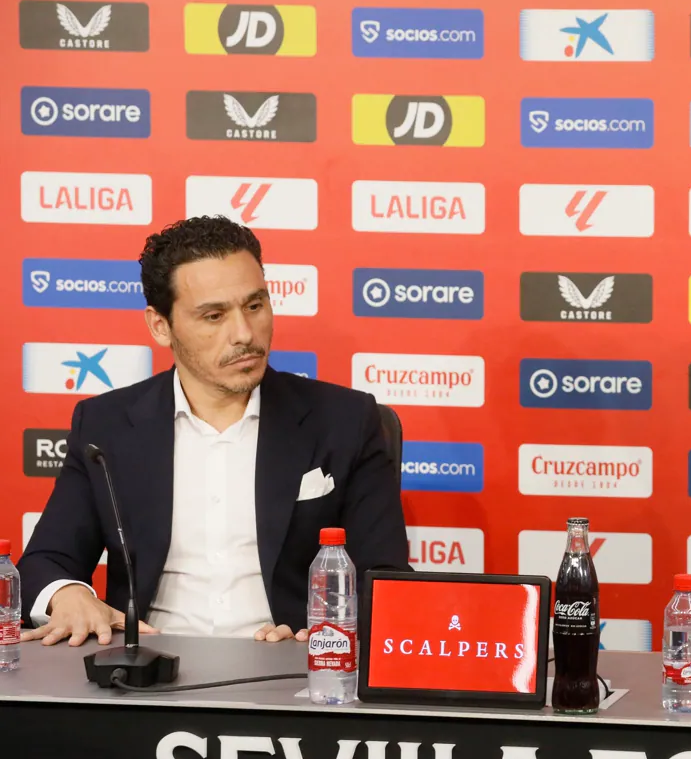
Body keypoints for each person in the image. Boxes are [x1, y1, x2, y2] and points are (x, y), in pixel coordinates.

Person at [19, 215, 410, 647]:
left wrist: (323, 632)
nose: (244, 334)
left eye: (255, 305)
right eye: (213, 316)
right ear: (160, 326)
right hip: (145, 679)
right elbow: (45, 562)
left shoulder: (345, 419)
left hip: (291, 679)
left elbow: (385, 579)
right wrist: (69, 593)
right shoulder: (106, 425)